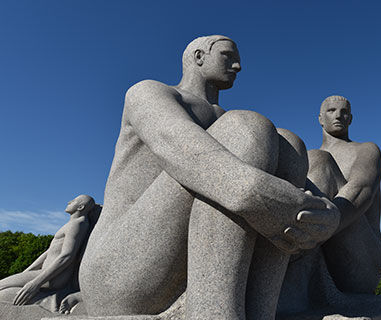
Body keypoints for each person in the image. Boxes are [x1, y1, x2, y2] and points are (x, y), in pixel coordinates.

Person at [79, 35, 340, 318]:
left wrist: (322, 214)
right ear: (199, 57)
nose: (238, 65)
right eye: (228, 56)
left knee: (290, 144)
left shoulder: (230, 124)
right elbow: (185, 152)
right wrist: (272, 199)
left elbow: (299, 191)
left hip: (171, 265)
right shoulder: (148, 92)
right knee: (246, 127)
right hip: (117, 268)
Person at [305, 95, 381, 294]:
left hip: (361, 262)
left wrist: (316, 227)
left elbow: (361, 189)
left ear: (350, 119)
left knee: (319, 159)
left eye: (344, 112)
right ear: (320, 118)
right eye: (331, 110)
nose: (338, 115)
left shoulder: (366, 150)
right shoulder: (307, 160)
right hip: (316, 252)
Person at [0, 195, 96, 310]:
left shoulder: (78, 224)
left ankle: (51, 303)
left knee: (1, 285)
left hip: (54, 277)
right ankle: (49, 301)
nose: (69, 201)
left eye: (74, 201)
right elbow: (48, 253)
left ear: (80, 207)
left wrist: (35, 283)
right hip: (46, 273)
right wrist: (27, 272)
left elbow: (67, 256)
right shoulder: (73, 224)